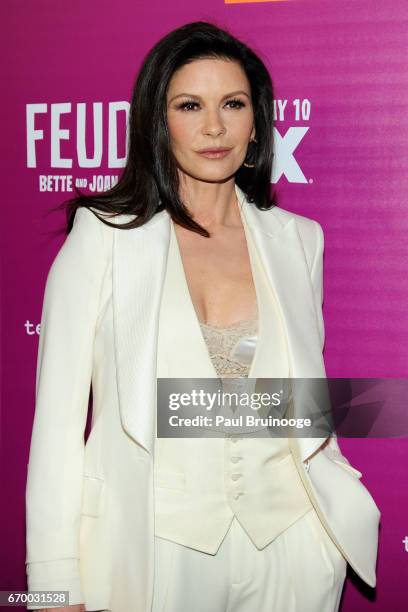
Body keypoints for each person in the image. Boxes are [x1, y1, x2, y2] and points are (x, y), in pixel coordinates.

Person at [25, 21, 380, 612]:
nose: (214, 127)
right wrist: (54, 587)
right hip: (153, 544)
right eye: (190, 105)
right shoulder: (104, 235)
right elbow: (58, 427)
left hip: (288, 546)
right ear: (157, 121)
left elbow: (298, 400)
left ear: (257, 121)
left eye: (233, 104)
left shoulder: (298, 240)